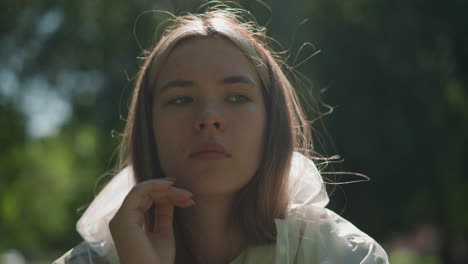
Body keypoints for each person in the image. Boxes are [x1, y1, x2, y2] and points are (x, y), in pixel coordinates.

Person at [54, 5, 389, 264]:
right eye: (181, 99)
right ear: (148, 126)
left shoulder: (347, 256)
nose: (209, 118)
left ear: (272, 122)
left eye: (237, 97)